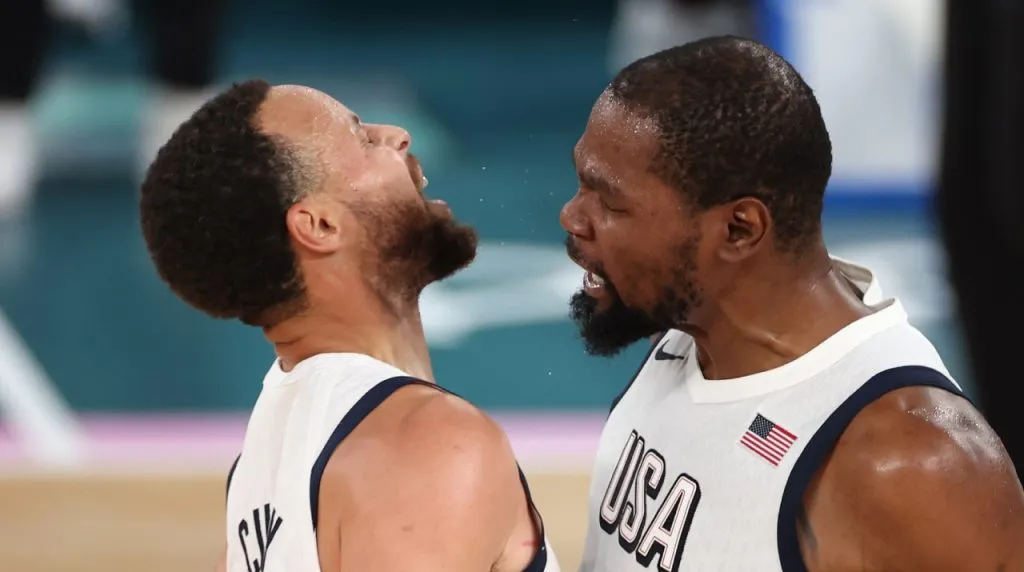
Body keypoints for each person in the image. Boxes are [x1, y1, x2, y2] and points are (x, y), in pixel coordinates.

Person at [560, 36, 1024, 571]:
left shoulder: (907, 467)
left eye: (609, 202)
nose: (572, 217)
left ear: (739, 230)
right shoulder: (691, 333)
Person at [139, 80, 559, 572]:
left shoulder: (257, 471)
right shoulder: (426, 448)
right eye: (362, 138)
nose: (397, 135)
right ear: (319, 225)